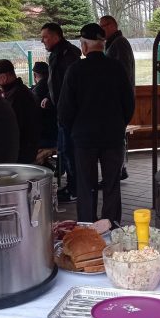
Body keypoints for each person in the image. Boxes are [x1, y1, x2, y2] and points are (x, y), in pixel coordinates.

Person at [58, 23, 134, 224]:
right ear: (103, 44)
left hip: (84, 139)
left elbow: (65, 110)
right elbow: (129, 103)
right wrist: (119, 125)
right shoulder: (117, 68)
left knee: (86, 186)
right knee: (111, 185)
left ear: (83, 46)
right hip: (113, 137)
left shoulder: (75, 70)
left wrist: (74, 130)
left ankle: (88, 226)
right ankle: (111, 226)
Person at [42, 22, 81, 202]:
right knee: (65, 151)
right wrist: (50, 98)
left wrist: (63, 106)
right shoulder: (58, 54)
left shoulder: (68, 55)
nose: (43, 41)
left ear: (57, 36)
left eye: (46, 37)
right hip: (60, 110)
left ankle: (75, 189)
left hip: (69, 113)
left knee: (70, 151)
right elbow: (57, 84)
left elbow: (70, 85)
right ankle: (72, 187)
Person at [99, 15, 135, 181]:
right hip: (117, 99)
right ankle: (120, 169)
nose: (101, 29)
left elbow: (123, 74)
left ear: (113, 25)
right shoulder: (113, 44)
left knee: (117, 137)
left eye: (103, 26)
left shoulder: (119, 44)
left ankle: (118, 170)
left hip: (119, 100)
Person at [0, 58, 41, 164]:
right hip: (26, 147)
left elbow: (11, 128)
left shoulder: (16, 97)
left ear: (4, 78)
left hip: (20, 152)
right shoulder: (19, 91)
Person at [31, 61, 58, 148]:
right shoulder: (55, 88)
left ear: (35, 75)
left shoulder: (36, 92)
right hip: (57, 135)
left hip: (45, 138)